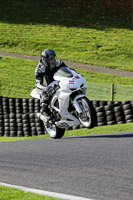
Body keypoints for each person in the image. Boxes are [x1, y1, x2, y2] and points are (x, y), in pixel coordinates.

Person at [35, 49, 67, 120]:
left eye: (53, 59)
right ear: (45, 60)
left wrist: (76, 74)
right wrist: (44, 88)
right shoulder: (40, 69)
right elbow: (38, 83)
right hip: (45, 86)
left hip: (57, 83)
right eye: (49, 60)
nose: (52, 61)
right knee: (45, 95)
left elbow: (68, 70)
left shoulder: (59, 63)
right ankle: (44, 111)